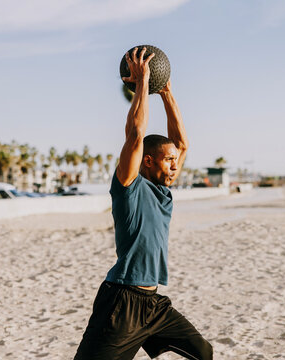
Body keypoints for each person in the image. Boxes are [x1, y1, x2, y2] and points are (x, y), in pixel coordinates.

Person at [74, 47, 213, 359]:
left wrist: (167, 93)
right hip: (120, 304)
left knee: (204, 353)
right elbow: (135, 136)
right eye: (169, 161)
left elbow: (182, 144)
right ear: (148, 162)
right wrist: (142, 83)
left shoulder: (164, 189)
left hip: (154, 305)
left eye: (176, 162)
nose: (176, 166)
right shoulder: (128, 187)